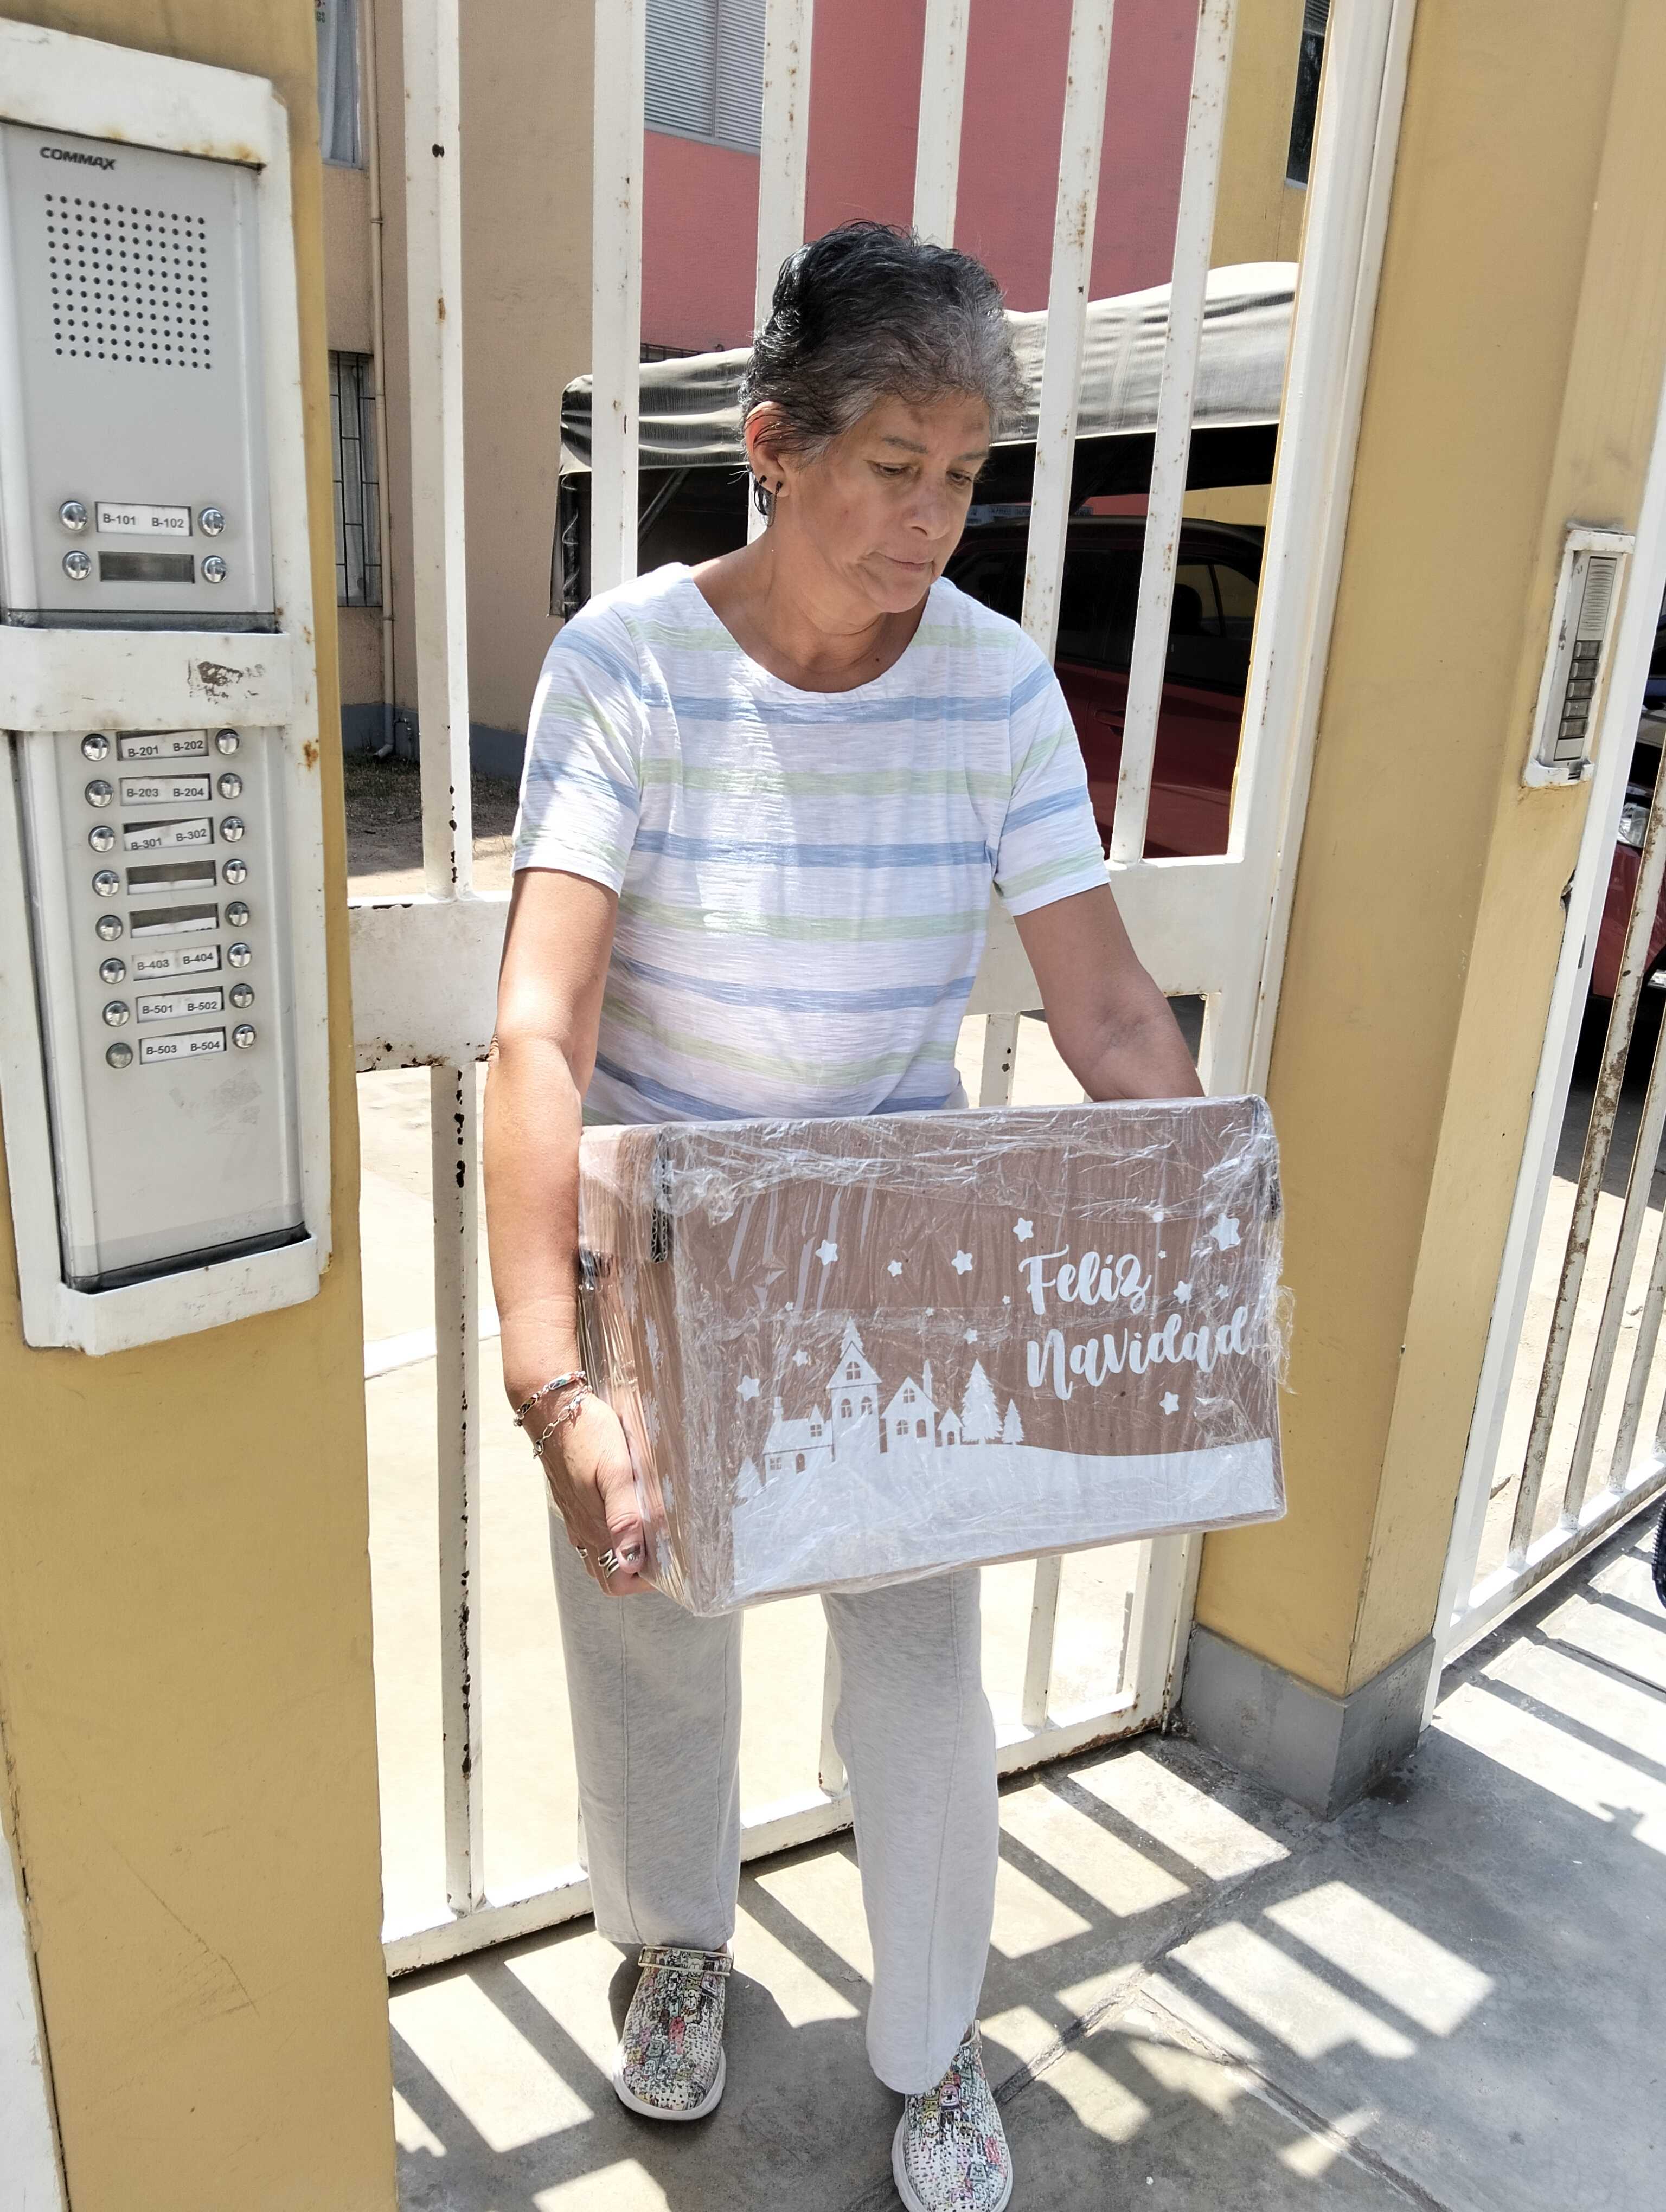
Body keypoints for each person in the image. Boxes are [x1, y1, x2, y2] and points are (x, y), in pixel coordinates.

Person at [484, 220, 1201, 2212]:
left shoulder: (994, 690)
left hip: (893, 1254)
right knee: (654, 1630)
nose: (932, 522)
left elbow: (1108, 1008)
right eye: (895, 467)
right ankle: (674, 1946)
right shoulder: (628, 667)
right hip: (666, 1244)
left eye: (965, 476)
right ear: (773, 445)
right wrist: (554, 1378)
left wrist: (1214, 1244)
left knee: (917, 1674)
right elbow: (541, 1025)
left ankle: (936, 2037)